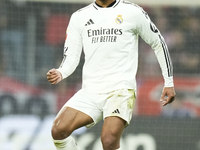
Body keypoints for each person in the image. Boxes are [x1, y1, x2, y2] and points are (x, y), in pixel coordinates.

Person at [47, 0, 176, 150]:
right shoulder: (79, 17)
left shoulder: (132, 12)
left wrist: (168, 81)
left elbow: (158, 43)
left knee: (108, 140)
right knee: (58, 130)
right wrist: (61, 72)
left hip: (120, 89)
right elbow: (71, 57)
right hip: (91, 91)